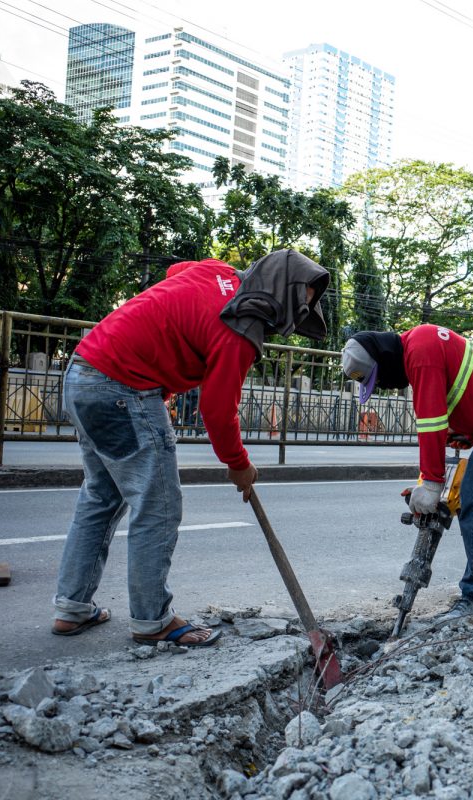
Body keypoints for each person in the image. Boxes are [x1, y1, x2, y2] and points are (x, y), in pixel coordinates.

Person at [52, 250, 331, 646]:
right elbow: (217, 411)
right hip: (123, 389)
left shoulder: (218, 272)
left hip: (84, 371)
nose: (302, 307)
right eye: (302, 296)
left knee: (101, 496)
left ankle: (72, 607)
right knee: (158, 506)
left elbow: (175, 274)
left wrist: (166, 345)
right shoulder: (242, 323)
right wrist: (239, 465)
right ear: (281, 288)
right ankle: (152, 621)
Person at [342, 325, 473, 619]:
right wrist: (464, 431)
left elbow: (431, 423)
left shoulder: (420, 353)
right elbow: (462, 395)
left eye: (378, 379)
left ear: (383, 360)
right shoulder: (419, 347)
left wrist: (432, 483)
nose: (384, 384)